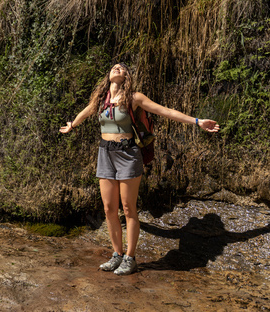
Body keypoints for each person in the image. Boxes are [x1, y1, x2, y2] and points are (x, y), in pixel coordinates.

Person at [59, 63, 220, 275]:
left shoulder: (134, 97)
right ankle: (117, 255)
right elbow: (86, 112)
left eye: (122, 68)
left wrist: (197, 121)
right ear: (108, 75)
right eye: (114, 66)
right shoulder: (100, 99)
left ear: (127, 76)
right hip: (105, 153)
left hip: (127, 154)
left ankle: (130, 258)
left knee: (128, 208)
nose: (117, 68)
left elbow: (166, 111)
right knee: (109, 208)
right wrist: (73, 125)